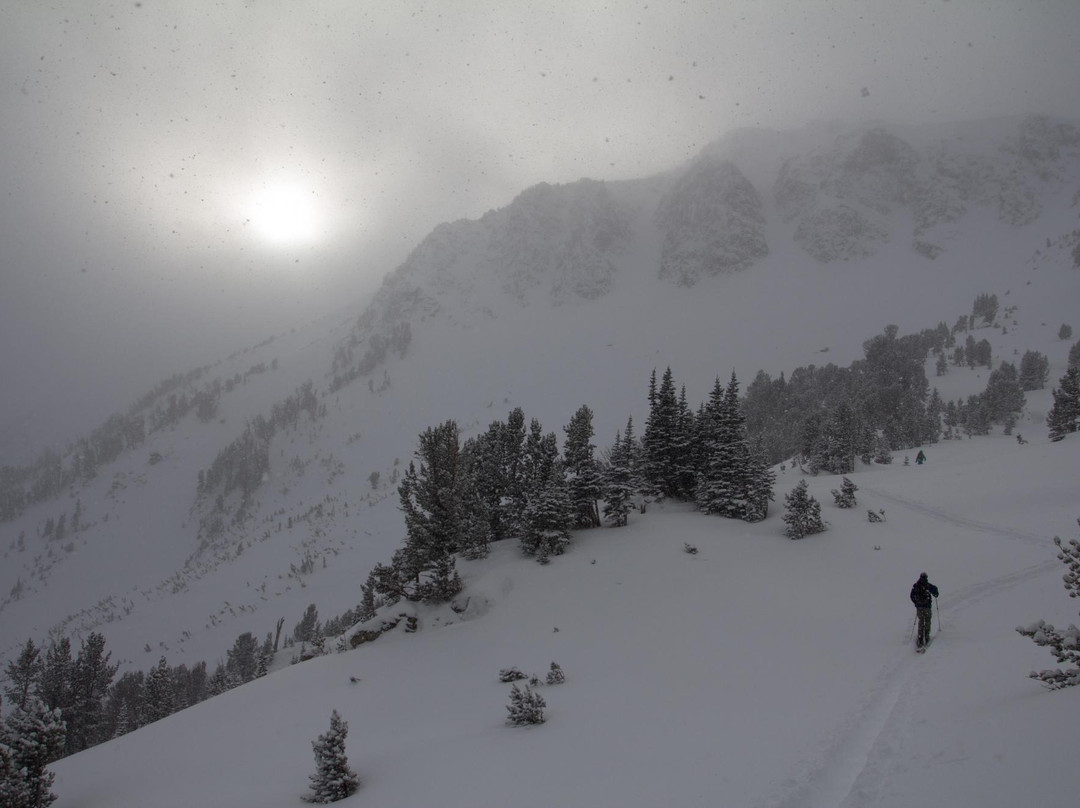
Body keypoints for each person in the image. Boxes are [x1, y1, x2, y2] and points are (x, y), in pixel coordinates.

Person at [910, 572, 939, 650]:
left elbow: (911, 596)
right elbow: (936, 593)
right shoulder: (927, 585)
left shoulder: (916, 586)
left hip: (919, 607)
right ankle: (926, 636)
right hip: (927, 607)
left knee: (921, 621)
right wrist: (935, 591)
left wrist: (916, 603)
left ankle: (920, 638)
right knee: (927, 621)